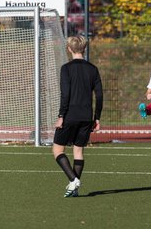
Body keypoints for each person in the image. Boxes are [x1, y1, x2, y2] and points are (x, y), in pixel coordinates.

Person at [52, 35, 103, 197]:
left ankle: (73, 180)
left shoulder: (66, 69)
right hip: (87, 116)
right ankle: (75, 189)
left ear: (69, 49)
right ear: (84, 49)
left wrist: (61, 115)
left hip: (70, 115)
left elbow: (65, 94)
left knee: (57, 150)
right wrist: (97, 117)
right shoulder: (93, 69)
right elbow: (100, 95)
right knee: (78, 151)